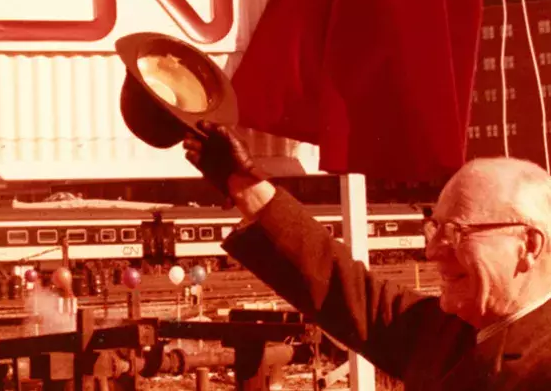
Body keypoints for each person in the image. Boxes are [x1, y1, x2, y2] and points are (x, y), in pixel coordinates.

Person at [182, 123, 551, 390]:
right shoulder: (442, 330)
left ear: (529, 246)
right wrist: (244, 186)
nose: (433, 250)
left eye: (456, 232)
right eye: (434, 227)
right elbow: (340, 284)